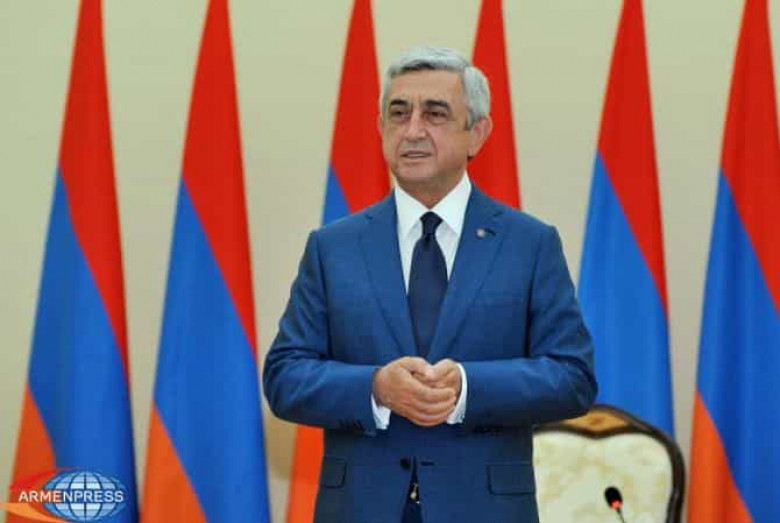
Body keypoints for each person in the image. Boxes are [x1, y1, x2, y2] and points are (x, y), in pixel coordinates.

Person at [263, 46, 596, 523]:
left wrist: (468, 387)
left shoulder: (529, 244)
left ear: (477, 132)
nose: (413, 130)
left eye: (435, 114)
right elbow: (285, 376)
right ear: (381, 128)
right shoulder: (333, 247)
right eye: (399, 113)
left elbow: (572, 377)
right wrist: (376, 388)